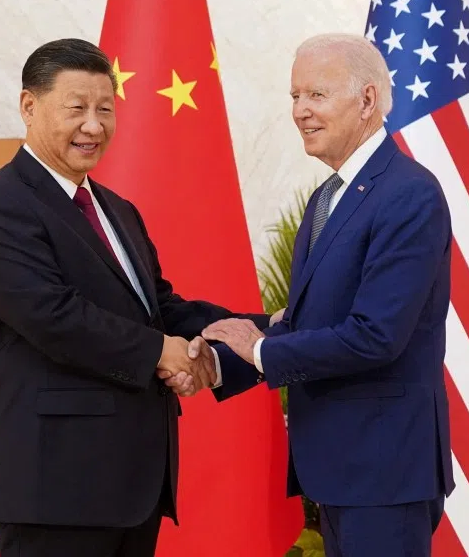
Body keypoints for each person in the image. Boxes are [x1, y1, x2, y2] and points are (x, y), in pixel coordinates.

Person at [0, 38, 269, 557]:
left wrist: (252, 330)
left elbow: (159, 308)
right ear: (29, 106)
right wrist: (160, 352)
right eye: (76, 108)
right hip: (56, 490)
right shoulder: (0, 204)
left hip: (134, 483)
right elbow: (53, 317)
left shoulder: (117, 208)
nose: (94, 125)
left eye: (105, 109)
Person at [188, 33, 455, 556]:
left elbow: (376, 336)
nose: (300, 112)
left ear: (368, 100)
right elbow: (308, 321)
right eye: (294, 96)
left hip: (383, 472)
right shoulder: (328, 196)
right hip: (341, 468)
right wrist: (219, 364)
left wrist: (259, 348)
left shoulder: (408, 194)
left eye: (316, 95)